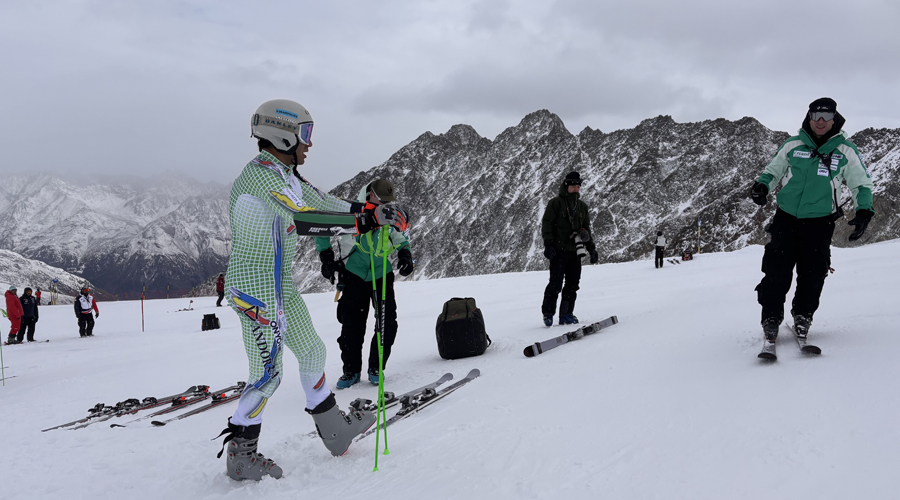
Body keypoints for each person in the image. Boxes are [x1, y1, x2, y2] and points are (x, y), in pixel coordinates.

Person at [216, 99, 409, 481]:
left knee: (312, 351)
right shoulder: (261, 176)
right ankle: (240, 453)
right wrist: (367, 218)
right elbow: (306, 218)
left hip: (278, 284)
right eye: (305, 134)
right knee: (267, 374)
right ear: (280, 135)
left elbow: (324, 202)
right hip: (253, 287)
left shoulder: (286, 174)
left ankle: (334, 431)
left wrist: (368, 211)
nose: (309, 144)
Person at [750, 97, 875, 343]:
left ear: (835, 119)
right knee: (776, 270)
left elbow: (861, 184)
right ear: (808, 117)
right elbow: (773, 171)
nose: (820, 121)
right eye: (816, 115)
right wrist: (762, 186)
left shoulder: (845, 151)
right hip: (786, 218)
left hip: (820, 222)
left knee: (813, 272)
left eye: (826, 116)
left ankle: (803, 315)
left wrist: (864, 212)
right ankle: (771, 317)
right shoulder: (793, 145)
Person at [316, 179, 414, 389]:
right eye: (381, 200)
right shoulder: (350, 211)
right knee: (352, 325)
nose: (384, 205)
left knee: (387, 322)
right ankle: (350, 371)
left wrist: (405, 254)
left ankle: (376, 367)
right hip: (354, 273)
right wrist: (326, 256)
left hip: (382, 273)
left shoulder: (389, 213)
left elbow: (399, 235)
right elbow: (323, 227)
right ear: (370, 194)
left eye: (388, 201)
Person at [540, 171, 599, 326]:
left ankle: (566, 314)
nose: (576, 188)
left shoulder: (582, 206)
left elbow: (586, 228)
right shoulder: (556, 203)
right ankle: (548, 313)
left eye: (578, 185)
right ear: (566, 186)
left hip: (575, 251)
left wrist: (591, 248)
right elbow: (547, 224)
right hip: (559, 250)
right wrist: (548, 244)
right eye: (573, 185)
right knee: (555, 283)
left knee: (573, 284)